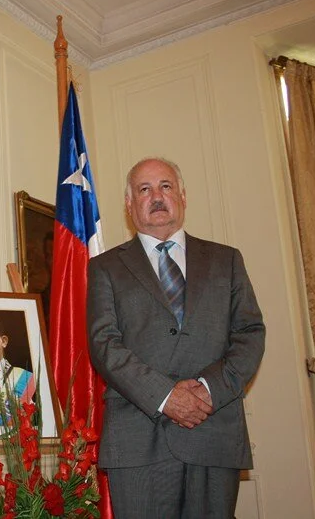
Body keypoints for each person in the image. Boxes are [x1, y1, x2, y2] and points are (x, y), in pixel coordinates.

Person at [87, 157, 265, 518]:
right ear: (129, 204)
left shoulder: (226, 260)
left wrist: (207, 389)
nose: (157, 196)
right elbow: (104, 344)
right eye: (144, 189)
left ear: (183, 196)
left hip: (213, 432)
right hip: (138, 440)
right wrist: (166, 396)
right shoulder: (104, 267)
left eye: (165, 186)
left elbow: (249, 333)